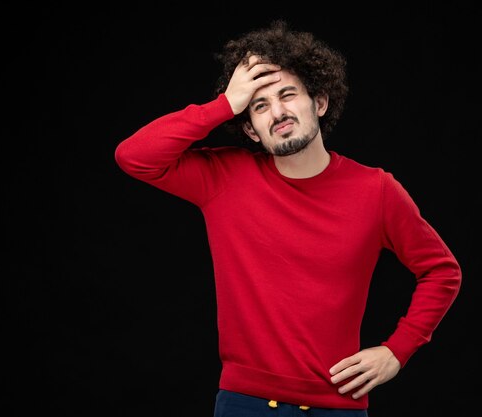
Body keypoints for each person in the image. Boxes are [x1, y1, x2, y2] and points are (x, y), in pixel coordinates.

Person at [114, 19, 462, 417]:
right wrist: (225, 104)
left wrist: (396, 351)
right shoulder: (224, 179)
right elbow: (134, 156)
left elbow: (441, 271)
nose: (277, 112)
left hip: (339, 407)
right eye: (259, 105)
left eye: (287, 95)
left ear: (319, 102)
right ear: (251, 129)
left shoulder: (376, 191)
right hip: (244, 403)